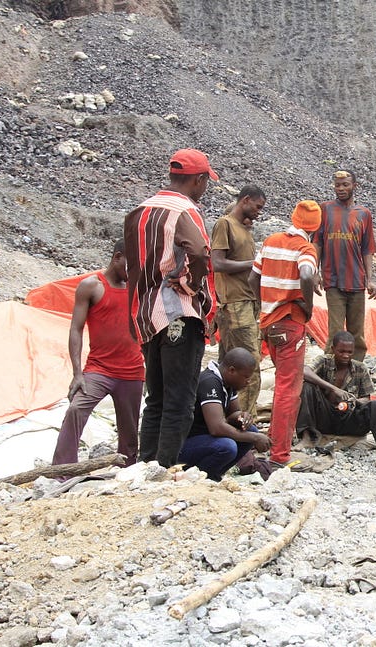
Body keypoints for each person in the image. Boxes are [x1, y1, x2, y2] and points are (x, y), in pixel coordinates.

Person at [124, 148, 215, 468]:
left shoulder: (140, 210)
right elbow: (202, 254)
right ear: (198, 179)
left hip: (146, 314)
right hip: (179, 313)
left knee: (156, 400)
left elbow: (130, 263)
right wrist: (190, 285)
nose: (206, 187)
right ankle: (164, 468)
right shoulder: (184, 210)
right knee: (180, 401)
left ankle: (144, 466)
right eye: (206, 182)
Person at [51, 240, 145, 466]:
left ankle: (127, 471)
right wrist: (77, 373)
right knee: (76, 409)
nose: (133, 273)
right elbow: (76, 328)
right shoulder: (92, 286)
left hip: (132, 371)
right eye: (130, 266)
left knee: (130, 432)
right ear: (117, 257)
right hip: (99, 368)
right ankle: (63, 469)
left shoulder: (137, 288)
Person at [250, 200, 319, 469]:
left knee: (283, 384)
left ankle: (276, 441)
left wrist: (265, 307)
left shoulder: (271, 240)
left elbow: (252, 279)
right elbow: (305, 273)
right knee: (288, 389)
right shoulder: (306, 247)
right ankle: (280, 455)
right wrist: (309, 305)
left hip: (269, 323)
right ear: (316, 227)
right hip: (290, 322)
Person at [299, 331, 376, 475]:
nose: (345, 355)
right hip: (324, 418)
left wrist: (353, 401)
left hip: (349, 419)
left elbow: (366, 398)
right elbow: (304, 371)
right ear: (333, 349)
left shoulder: (360, 368)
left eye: (349, 352)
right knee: (307, 386)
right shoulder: (324, 361)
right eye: (341, 351)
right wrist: (333, 389)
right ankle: (306, 438)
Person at [211, 185, 266, 419]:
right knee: (248, 368)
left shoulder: (243, 229)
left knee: (226, 367)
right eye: (257, 207)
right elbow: (218, 263)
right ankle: (245, 422)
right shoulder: (225, 224)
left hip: (246, 302)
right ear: (245, 200)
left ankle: (222, 418)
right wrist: (254, 264)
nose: (259, 212)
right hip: (235, 305)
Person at [314, 170, 376, 361]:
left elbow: (367, 249)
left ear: (354, 186)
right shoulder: (324, 209)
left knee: (357, 333)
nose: (341, 189)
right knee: (334, 331)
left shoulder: (363, 214)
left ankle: (356, 372)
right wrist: (315, 272)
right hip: (333, 281)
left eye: (345, 185)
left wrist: (370, 280)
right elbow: (317, 242)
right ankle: (329, 370)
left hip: (357, 281)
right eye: (337, 185)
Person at [178, 348, 271, 481]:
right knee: (227, 446)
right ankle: (196, 476)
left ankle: (214, 474)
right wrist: (255, 438)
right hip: (184, 443)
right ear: (232, 370)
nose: (248, 382)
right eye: (245, 377)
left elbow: (233, 414)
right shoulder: (210, 382)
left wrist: (242, 417)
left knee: (250, 430)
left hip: (202, 438)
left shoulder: (228, 383)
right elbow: (216, 428)